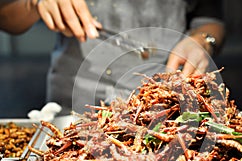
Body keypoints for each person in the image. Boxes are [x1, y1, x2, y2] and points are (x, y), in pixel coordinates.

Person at [0, 0, 225, 115]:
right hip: (74, 104)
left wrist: (202, 41)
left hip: (159, 107)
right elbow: (7, 17)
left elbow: (211, 20)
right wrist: (35, 3)